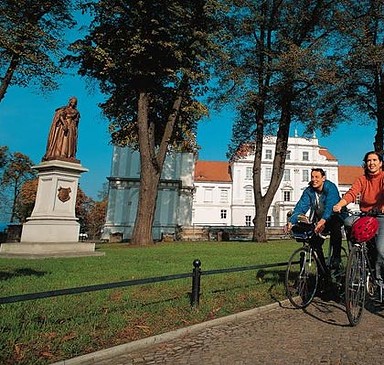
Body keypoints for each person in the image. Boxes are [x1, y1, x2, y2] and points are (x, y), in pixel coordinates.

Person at [333, 150, 384, 284]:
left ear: (380, 163)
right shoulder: (362, 179)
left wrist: (381, 208)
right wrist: (340, 204)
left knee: (381, 250)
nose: (371, 163)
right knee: (348, 221)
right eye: (368, 161)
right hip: (364, 215)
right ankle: (355, 252)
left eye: (374, 160)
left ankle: (380, 280)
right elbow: (352, 193)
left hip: (380, 216)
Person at [286, 168, 345, 274]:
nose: (314, 179)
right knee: (314, 242)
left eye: (317, 177)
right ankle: (323, 272)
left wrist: (322, 221)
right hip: (320, 219)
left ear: (323, 178)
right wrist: (292, 221)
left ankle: (336, 257)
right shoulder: (309, 191)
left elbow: (330, 206)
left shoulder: (330, 187)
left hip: (334, 216)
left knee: (335, 228)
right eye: (312, 177)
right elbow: (301, 207)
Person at [43, 97, 80, 161]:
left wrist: (74, 126)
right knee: (62, 140)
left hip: (71, 127)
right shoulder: (64, 109)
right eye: (72, 102)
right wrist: (64, 124)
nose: (73, 103)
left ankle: (68, 155)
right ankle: (60, 154)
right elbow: (60, 116)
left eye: (75, 102)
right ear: (70, 102)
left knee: (70, 141)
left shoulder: (76, 112)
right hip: (63, 126)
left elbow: (76, 121)